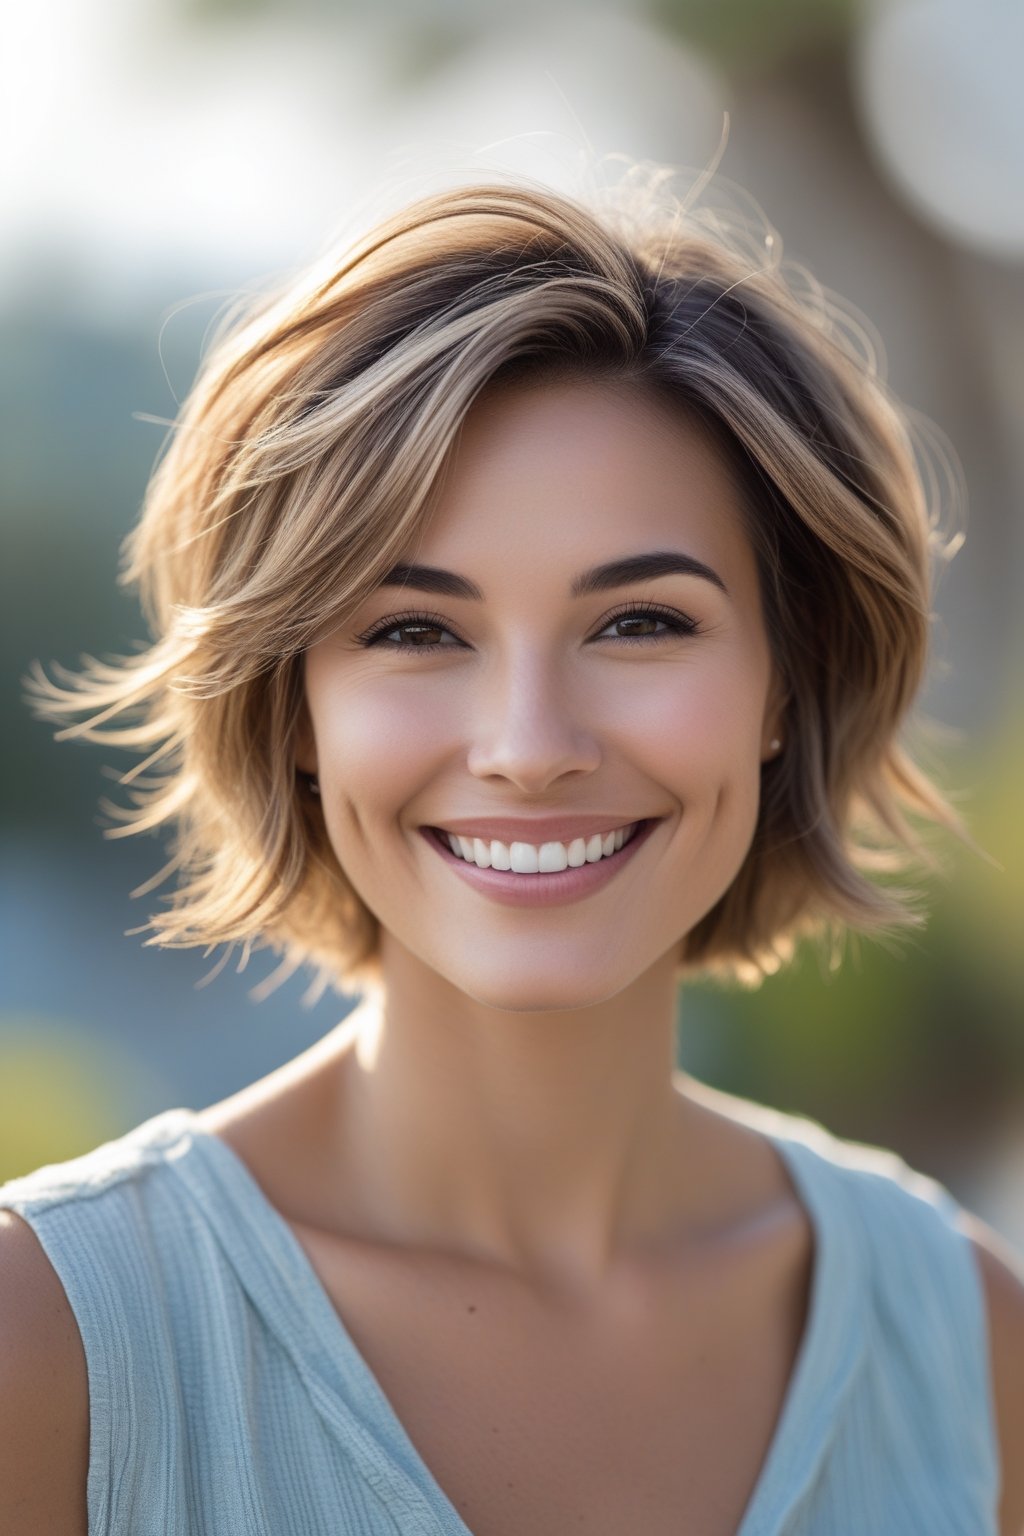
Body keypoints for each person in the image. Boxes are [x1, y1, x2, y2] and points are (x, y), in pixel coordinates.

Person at [1, 171, 1022, 1536]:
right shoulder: (49, 1341)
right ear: (293, 705)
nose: (530, 746)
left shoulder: (964, 1340)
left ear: (790, 681)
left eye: (642, 623)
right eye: (415, 631)